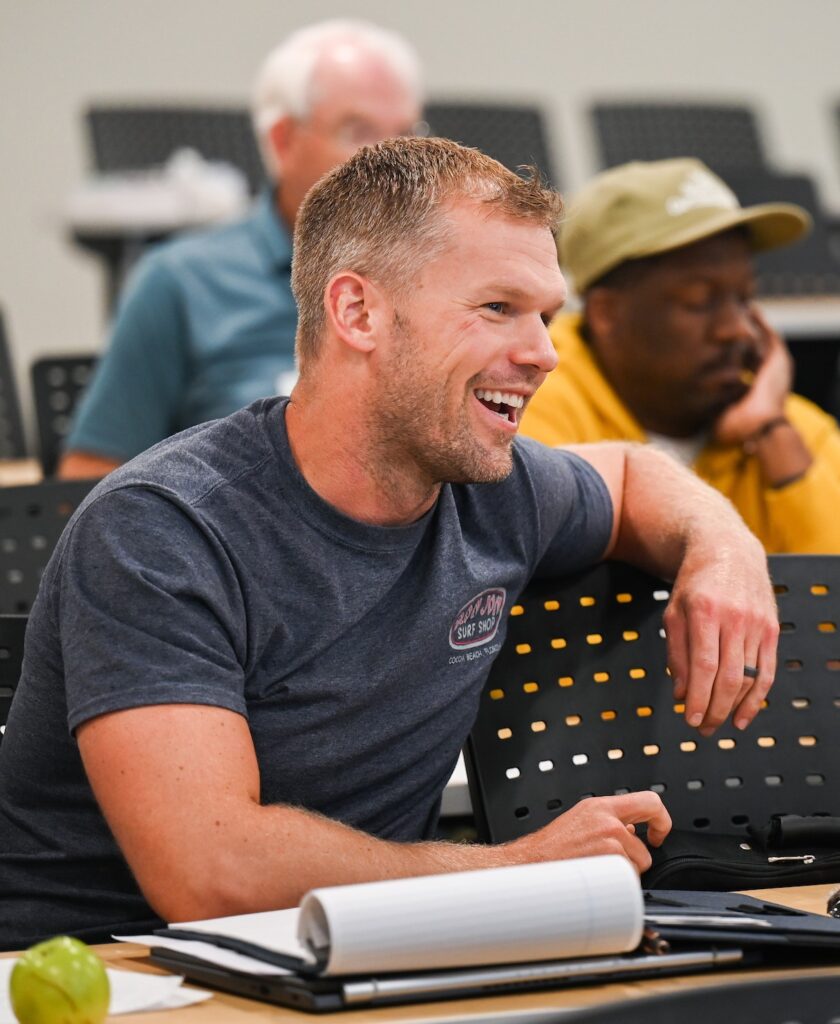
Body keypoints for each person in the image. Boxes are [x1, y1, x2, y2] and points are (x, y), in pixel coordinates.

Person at [0, 138, 779, 951]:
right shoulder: (161, 529)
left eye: (546, 314)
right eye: (496, 308)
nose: (545, 352)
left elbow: (627, 477)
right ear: (357, 312)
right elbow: (211, 872)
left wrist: (725, 549)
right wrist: (521, 870)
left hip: (360, 955)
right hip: (107, 972)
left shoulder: (494, 487)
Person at [58, 19, 423, 480]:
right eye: (358, 130)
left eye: (409, 134)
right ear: (283, 140)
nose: (392, 158)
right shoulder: (182, 280)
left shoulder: (440, 278)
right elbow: (90, 477)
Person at [519, 157, 840, 553]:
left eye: (744, 299)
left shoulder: (797, 428)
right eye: (699, 301)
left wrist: (771, 429)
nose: (737, 329)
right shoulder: (529, 411)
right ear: (606, 313)